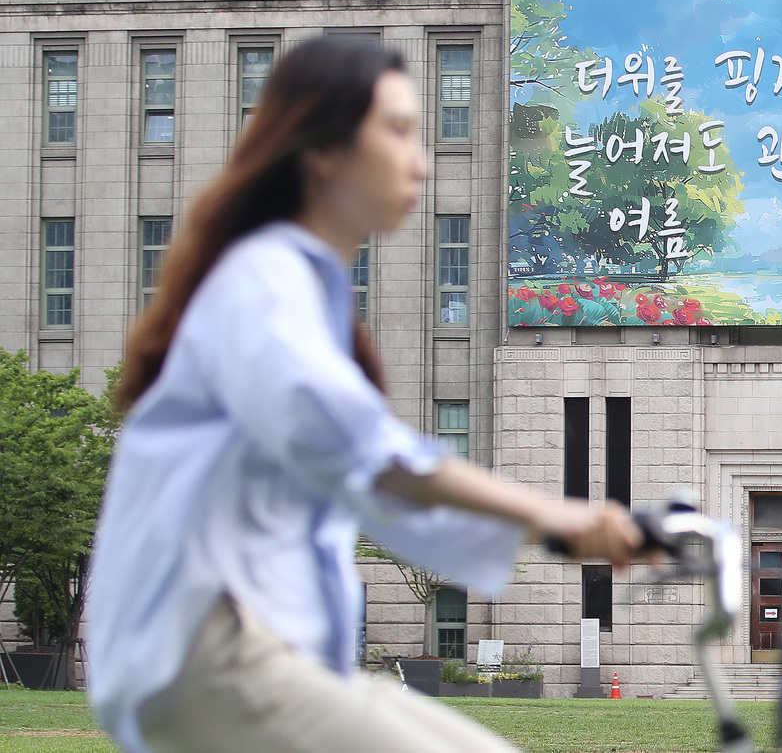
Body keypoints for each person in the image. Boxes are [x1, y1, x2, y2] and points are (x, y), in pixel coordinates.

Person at [86, 38, 643, 753]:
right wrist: (558, 516)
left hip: (255, 651)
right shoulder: (263, 283)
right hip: (204, 655)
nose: (422, 159)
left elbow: (383, 494)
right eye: (398, 130)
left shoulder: (302, 287)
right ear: (321, 148)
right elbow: (371, 454)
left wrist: (556, 530)